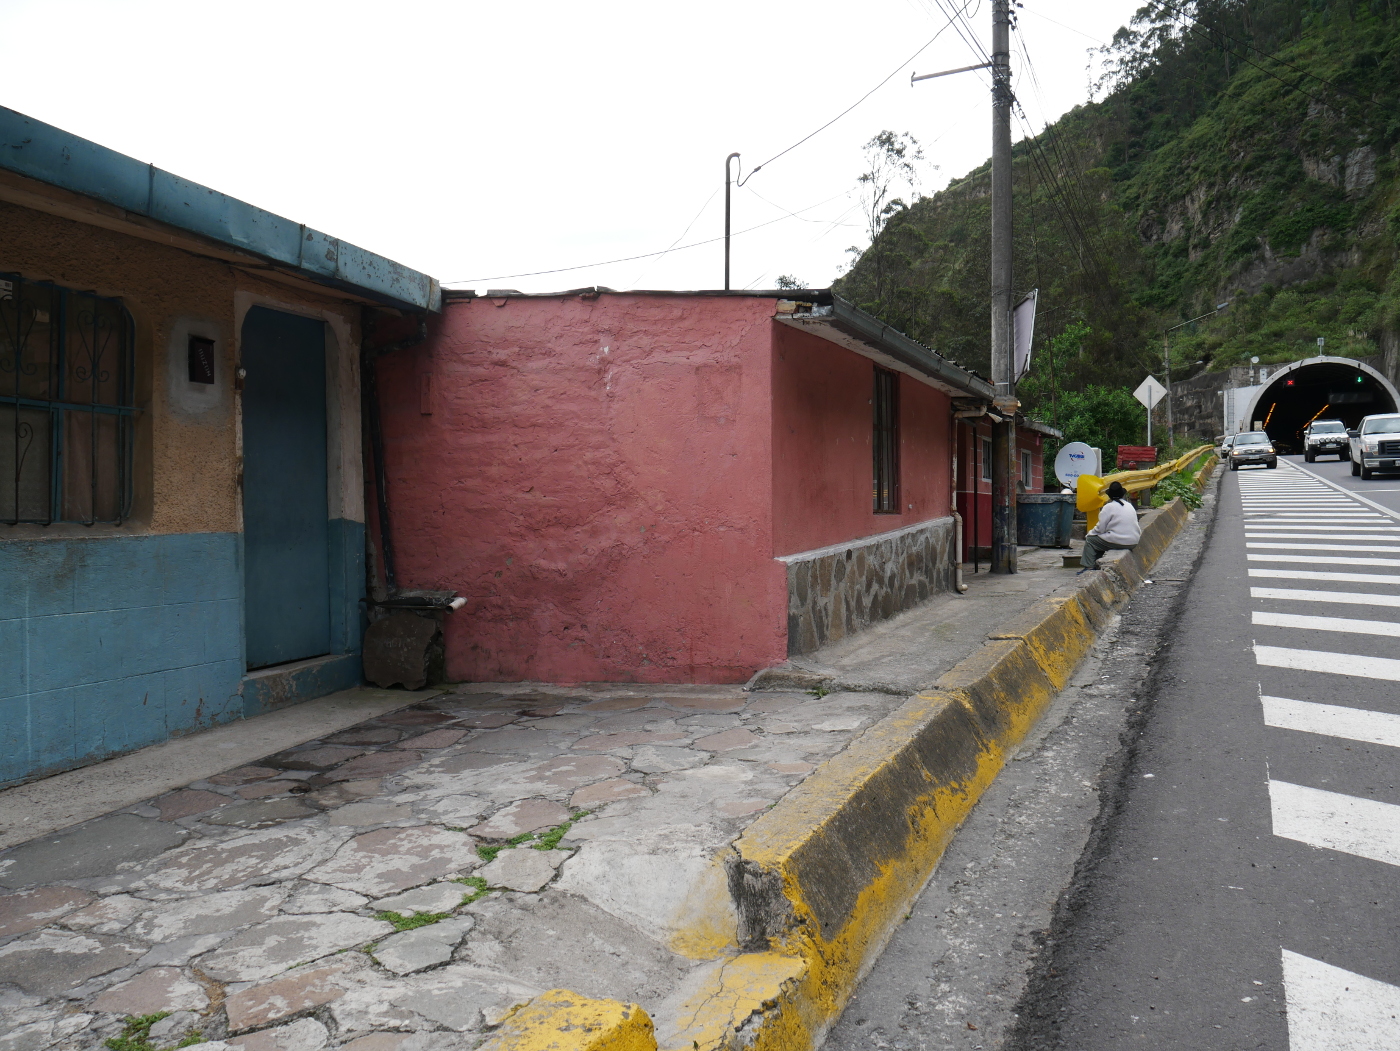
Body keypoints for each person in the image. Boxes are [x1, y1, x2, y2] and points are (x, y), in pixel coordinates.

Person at [1079, 481, 1140, 572]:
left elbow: (1100, 529)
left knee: (1091, 540)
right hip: (1133, 541)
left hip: (1120, 541)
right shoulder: (1129, 505)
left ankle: (1089, 567)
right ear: (1122, 494)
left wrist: (1090, 534)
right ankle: (1095, 564)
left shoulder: (1109, 507)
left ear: (1110, 496)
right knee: (1100, 541)